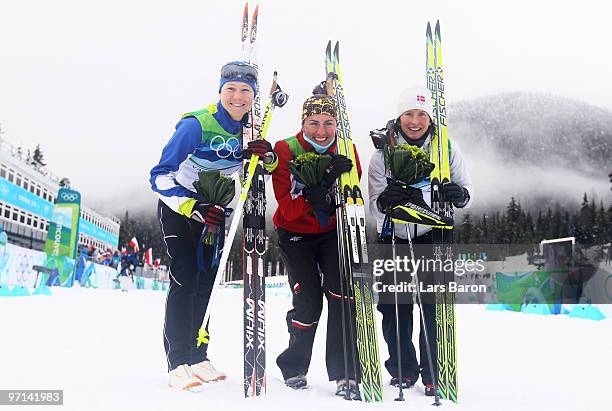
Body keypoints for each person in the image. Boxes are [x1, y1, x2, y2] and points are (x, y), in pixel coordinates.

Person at [149, 61, 277, 392]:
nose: (237, 97)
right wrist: (192, 205)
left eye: (245, 91)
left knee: (207, 281)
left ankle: (198, 355)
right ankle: (178, 361)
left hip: (216, 214)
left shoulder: (251, 128)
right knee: (186, 277)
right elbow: (159, 175)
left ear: (253, 96)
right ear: (220, 91)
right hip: (182, 209)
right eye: (230, 89)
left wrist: (268, 155)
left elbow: (264, 167)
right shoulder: (197, 125)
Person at [368, 86, 473, 396]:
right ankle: (402, 369)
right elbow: (373, 203)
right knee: (393, 307)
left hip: (434, 235)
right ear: (399, 118)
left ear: (430, 118)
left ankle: (434, 371)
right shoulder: (381, 154)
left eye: (421, 114)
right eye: (409, 114)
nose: (415, 121)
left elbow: (466, 188)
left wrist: (460, 195)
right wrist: (386, 201)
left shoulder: (447, 149)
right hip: (394, 236)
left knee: (433, 307)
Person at [271, 91, 361, 398]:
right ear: (303, 122)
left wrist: (340, 181)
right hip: (295, 233)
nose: (321, 131)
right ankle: (293, 365)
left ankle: (345, 370)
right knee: (309, 300)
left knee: (341, 293)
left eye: (328, 123)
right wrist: (319, 184)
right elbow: (288, 208)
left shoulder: (347, 148)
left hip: (332, 232)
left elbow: (352, 196)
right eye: (313, 123)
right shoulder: (286, 149)